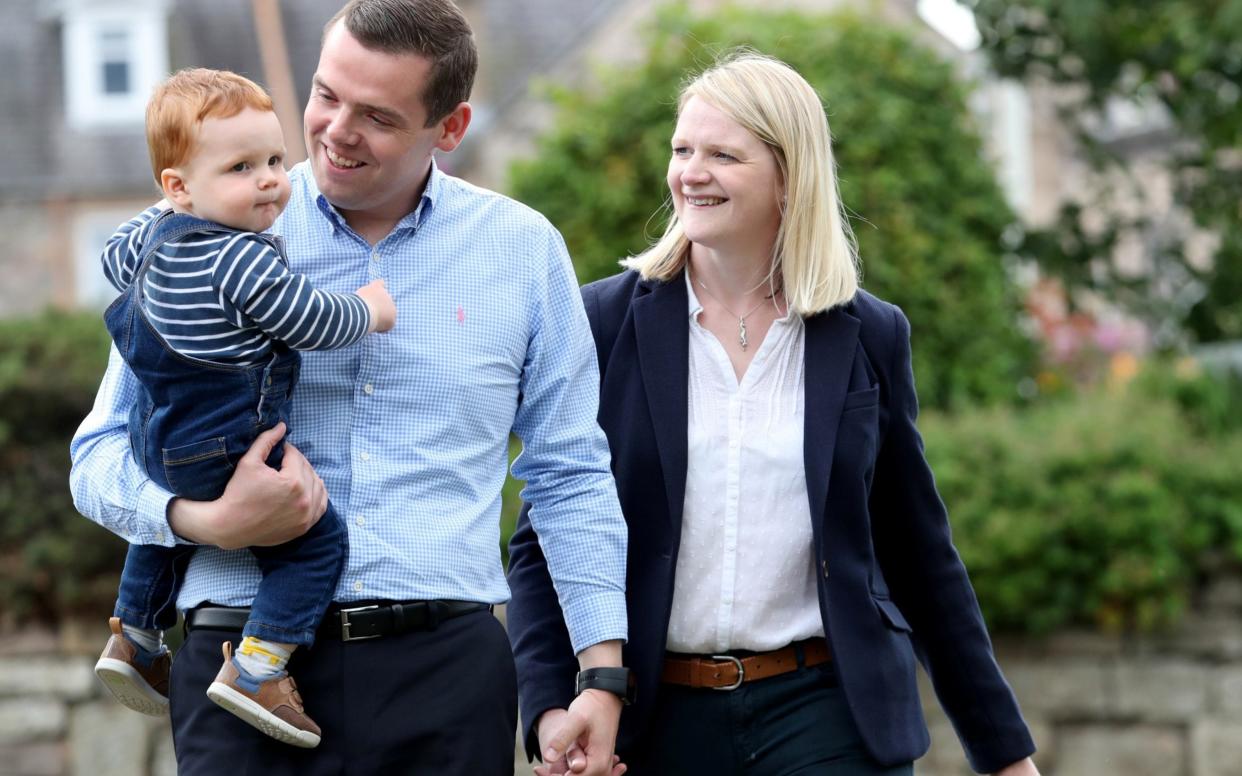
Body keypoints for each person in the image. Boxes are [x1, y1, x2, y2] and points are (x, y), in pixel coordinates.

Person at [70, 2, 628, 774]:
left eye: (376, 115)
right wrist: (203, 518)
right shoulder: (200, 232)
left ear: (450, 127)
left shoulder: (523, 252)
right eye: (326, 94)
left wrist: (601, 676)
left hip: (446, 680)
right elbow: (97, 455)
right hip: (235, 668)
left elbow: (569, 473)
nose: (335, 129)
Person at [507, 52, 1041, 775]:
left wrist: (1006, 757)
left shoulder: (869, 335)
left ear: (790, 179)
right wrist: (548, 707)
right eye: (682, 149)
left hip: (828, 711)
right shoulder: (601, 324)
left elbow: (921, 555)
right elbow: (544, 543)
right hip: (653, 720)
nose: (691, 172)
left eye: (723, 155)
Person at [90, 67, 396, 750]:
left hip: (158, 439)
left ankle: (135, 635)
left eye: (273, 160)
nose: (267, 180)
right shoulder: (243, 260)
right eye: (239, 168)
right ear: (180, 186)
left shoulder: (146, 241)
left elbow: (112, 259)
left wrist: (171, 206)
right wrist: (369, 310)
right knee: (315, 544)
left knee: (167, 526)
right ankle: (260, 666)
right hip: (231, 441)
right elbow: (309, 320)